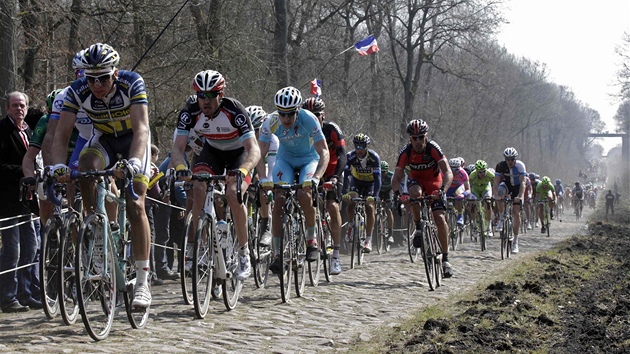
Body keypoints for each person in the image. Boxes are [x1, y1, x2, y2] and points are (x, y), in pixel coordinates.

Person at [48, 43, 153, 309]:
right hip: (104, 138)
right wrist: (59, 166)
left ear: (114, 73)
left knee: (135, 202)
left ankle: (142, 281)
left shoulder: (132, 83)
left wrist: (133, 162)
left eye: (103, 77)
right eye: (90, 77)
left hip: (133, 142)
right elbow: (61, 136)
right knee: (85, 166)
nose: (96, 84)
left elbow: (141, 129)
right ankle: (96, 227)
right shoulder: (77, 91)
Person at [171, 70, 261, 282]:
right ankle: (200, 246)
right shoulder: (189, 112)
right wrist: (181, 167)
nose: (206, 100)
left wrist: (243, 170)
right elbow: (177, 147)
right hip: (212, 152)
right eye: (201, 95)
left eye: (211, 95)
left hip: (239, 154)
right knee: (198, 187)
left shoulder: (235, 110)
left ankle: (243, 252)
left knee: (232, 193)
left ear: (221, 94)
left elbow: (254, 149)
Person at [257, 86, 329, 273]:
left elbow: (324, 152)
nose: (286, 119)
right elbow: (259, 153)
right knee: (279, 199)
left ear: (297, 110)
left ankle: (311, 240)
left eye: (290, 114)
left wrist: (317, 178)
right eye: (282, 114)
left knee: (304, 194)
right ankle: (277, 253)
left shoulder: (309, 119)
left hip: (309, 159)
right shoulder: (270, 121)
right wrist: (264, 179)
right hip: (285, 159)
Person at [391, 119, 454, 277]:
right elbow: (396, 178)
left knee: (439, 218)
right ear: (410, 138)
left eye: (421, 137)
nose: (418, 141)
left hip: (434, 181)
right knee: (414, 195)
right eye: (414, 138)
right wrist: (400, 195)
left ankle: (446, 259)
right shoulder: (405, 152)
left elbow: (447, 172)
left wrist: (442, 190)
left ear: (426, 136)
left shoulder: (433, 148)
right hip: (416, 181)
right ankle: (419, 227)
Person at [0, 91, 41, 312]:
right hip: (8, 201)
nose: (19, 109)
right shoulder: (2, 131)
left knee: (31, 248)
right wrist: (25, 172)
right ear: (7, 108)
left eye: (22, 105)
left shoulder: (30, 131)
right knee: (12, 251)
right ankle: (8, 296)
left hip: (28, 201)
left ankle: (26, 293)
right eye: (14, 105)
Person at [302, 97, 346, 275]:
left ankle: (335, 254)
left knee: (332, 206)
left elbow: (343, 155)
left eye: (317, 115)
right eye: (309, 115)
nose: (313, 118)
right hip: (312, 168)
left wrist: (335, 177)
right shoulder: (302, 129)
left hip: (332, 169)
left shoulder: (332, 129)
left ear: (323, 116)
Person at [342, 133, 381, 253]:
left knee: (369, 207)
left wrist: (375, 196)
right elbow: (345, 176)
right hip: (357, 182)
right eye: (356, 146)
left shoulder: (374, 157)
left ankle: (368, 239)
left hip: (371, 183)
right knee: (351, 202)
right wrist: (344, 192)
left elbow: (378, 179)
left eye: (362, 147)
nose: (359, 149)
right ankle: (351, 226)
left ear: (366, 146)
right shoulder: (350, 156)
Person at [246, 105, 277, 247]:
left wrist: (267, 186)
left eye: (256, 129)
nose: (254, 134)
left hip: (266, 164)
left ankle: (266, 224)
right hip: (249, 164)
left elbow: (271, 168)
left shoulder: (272, 139)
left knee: (263, 186)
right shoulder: (243, 138)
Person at [493, 147, 527, 253]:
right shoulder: (500, 166)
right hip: (507, 185)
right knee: (499, 191)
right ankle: (502, 217)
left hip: (517, 188)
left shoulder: (520, 166)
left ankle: (515, 242)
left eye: (512, 159)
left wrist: (520, 196)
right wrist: (496, 195)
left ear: (515, 159)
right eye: (508, 159)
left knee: (516, 213)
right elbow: (496, 182)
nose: (510, 161)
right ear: (505, 159)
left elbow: (523, 183)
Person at [468, 160, 494, 237]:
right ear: (476, 171)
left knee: (488, 202)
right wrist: (468, 197)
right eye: (480, 172)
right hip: (475, 189)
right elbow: (468, 186)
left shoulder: (490, 175)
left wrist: (494, 195)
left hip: (485, 188)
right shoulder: (472, 176)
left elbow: (494, 185)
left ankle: (489, 227)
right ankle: (475, 226)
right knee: (472, 204)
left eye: (484, 171)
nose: (482, 174)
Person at [445, 158, 471, 226]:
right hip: (449, 187)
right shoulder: (444, 172)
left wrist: (463, 194)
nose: (454, 171)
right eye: (452, 169)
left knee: (458, 195)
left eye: (456, 169)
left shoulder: (463, 173)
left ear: (460, 168)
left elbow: (468, 189)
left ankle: (460, 215)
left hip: (459, 187)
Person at [378, 161, 395, 245]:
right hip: (379, 191)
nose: (382, 174)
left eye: (384, 172)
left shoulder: (391, 175)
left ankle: (391, 234)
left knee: (388, 209)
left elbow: (396, 185)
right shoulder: (376, 175)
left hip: (388, 191)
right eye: (380, 172)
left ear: (387, 171)